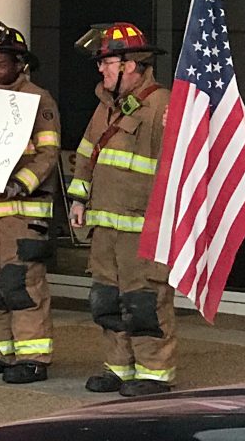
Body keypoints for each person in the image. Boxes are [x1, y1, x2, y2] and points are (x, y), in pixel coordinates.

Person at [67, 22, 175, 397]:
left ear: (129, 64)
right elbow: (86, 156)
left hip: (142, 230)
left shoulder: (163, 105)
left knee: (144, 301)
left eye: (107, 62)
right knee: (107, 301)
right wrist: (79, 200)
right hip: (106, 229)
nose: (101, 69)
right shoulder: (107, 106)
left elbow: (175, 170)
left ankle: (154, 374)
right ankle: (119, 368)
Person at [0, 20, 61, 384]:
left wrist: (21, 183)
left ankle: (33, 357)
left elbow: (48, 153)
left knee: (22, 285)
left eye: (1, 62)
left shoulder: (39, 99)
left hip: (23, 212)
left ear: (21, 64)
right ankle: (1, 352)